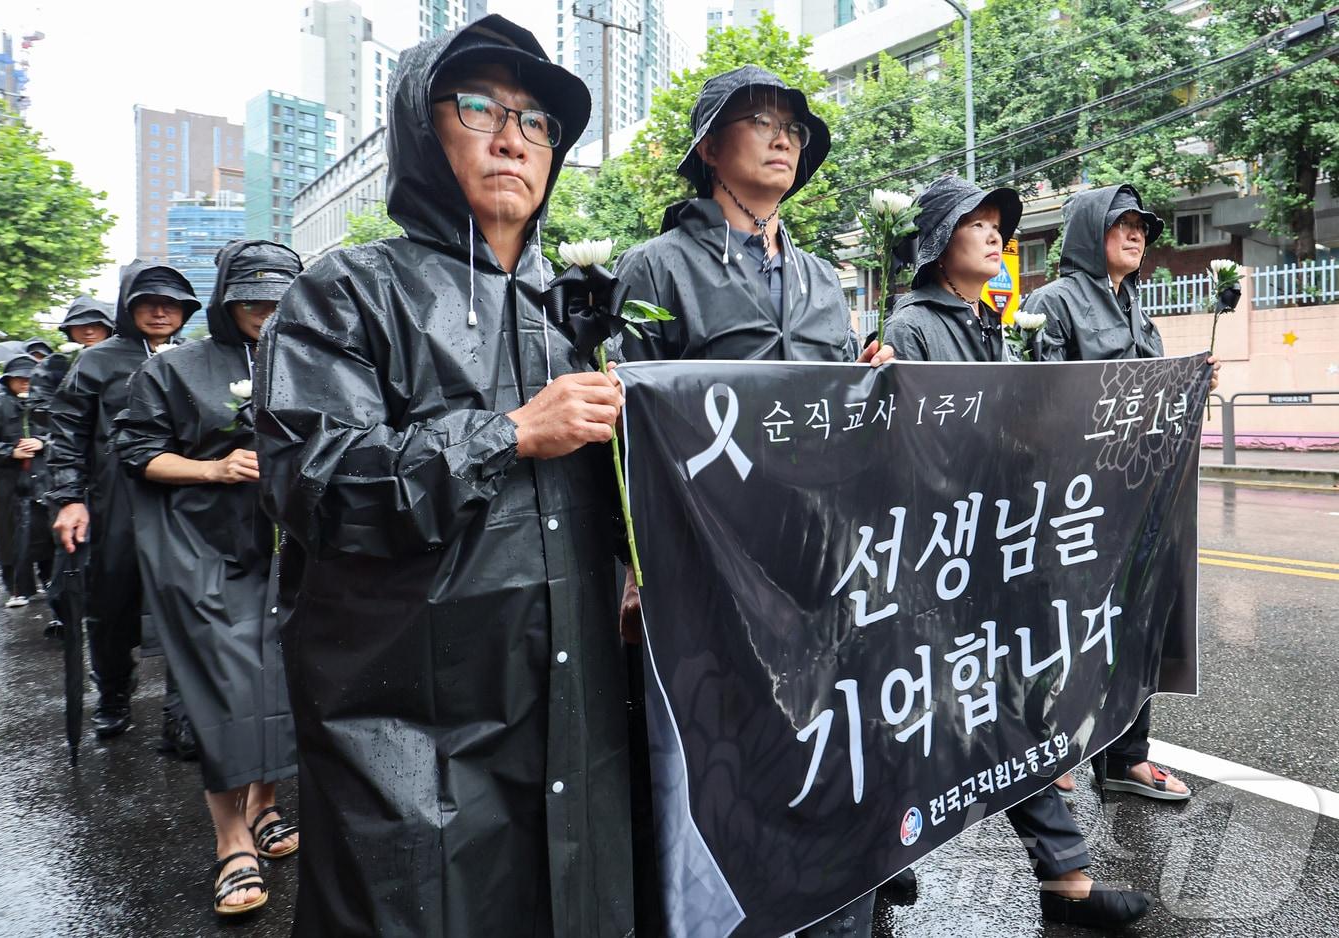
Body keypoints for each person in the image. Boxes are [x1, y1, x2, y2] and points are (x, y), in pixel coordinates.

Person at [256, 16, 632, 936]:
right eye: (480, 109)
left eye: (537, 121)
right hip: (406, 729)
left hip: (571, 707)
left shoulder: (577, 316)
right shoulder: (347, 292)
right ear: (424, 132)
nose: (513, 137)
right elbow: (317, 479)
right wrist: (506, 434)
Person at [614, 65, 894, 938]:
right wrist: (631, 569)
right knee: (717, 757)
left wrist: (869, 384)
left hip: (813, 559)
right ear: (708, 148)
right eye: (760, 122)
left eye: (794, 128)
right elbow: (624, 425)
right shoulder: (654, 268)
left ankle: (828, 901)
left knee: (819, 736)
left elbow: (834, 414)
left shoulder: (818, 277)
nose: (784, 137)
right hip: (703, 565)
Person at [882, 175, 1153, 929]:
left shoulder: (987, 322)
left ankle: (1061, 878)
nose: (996, 234)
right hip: (941, 556)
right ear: (939, 242)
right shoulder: (913, 328)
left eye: (998, 222)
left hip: (993, 548)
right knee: (929, 713)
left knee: (999, 706)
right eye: (976, 222)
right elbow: (912, 448)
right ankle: (884, 858)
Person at [114, 240, 302, 917]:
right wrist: (215, 469)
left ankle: (266, 805)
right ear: (226, 300)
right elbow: (137, 453)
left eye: (281, 299)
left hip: (291, 551)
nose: (267, 311)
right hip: (201, 550)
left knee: (282, 680)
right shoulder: (176, 370)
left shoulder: (314, 361)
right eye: (253, 298)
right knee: (226, 691)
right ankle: (231, 842)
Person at [1021, 183, 1219, 802]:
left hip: (1138, 496)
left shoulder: (1138, 309)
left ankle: (1128, 757)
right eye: (1122, 224)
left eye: (1141, 226)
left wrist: (1193, 388)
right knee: (1068, 628)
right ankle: (1052, 748)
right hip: (1076, 500)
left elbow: (1156, 397)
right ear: (1089, 232)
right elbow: (1040, 397)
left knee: (1133, 624)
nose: (1136, 235)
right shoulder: (1050, 303)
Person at [47, 262, 198, 741]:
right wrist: (69, 498)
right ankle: (113, 691)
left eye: (170, 303)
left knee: (194, 603)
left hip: (187, 500)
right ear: (128, 308)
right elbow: (67, 433)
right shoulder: (95, 361)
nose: (159, 312)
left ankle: (185, 710)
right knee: (110, 604)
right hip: (115, 500)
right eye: (148, 303)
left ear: (186, 311)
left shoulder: (200, 358)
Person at [29, 297, 115, 637]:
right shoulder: (54, 366)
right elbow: (42, 411)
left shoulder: (127, 358)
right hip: (70, 469)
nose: (90, 329)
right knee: (69, 547)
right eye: (82, 323)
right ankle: (64, 611)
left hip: (118, 469)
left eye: (97, 322)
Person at [0, 354, 55, 608]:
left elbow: (65, 435)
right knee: (10, 536)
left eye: (30, 378)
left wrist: (43, 443)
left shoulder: (46, 404)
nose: (25, 383)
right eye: (20, 379)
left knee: (46, 533)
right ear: (9, 380)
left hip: (42, 481)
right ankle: (18, 588)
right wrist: (10, 452)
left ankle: (52, 581)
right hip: (6, 483)